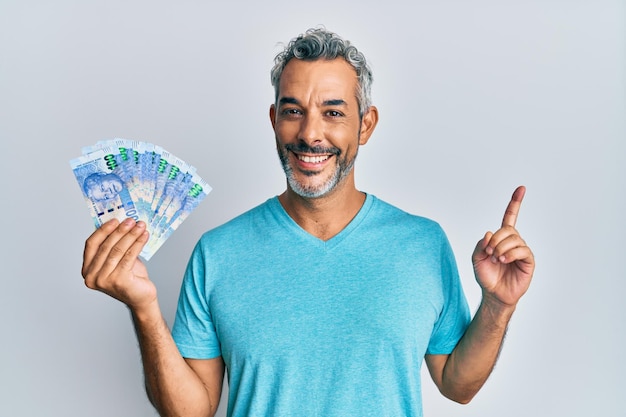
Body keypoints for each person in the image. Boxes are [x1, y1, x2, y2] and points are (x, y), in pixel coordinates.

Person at [81, 27, 535, 417]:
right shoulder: (218, 252)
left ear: (366, 125)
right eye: (293, 110)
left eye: (333, 112)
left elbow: (457, 385)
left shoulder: (422, 244)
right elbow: (191, 410)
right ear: (274, 119)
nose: (309, 133)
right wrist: (143, 308)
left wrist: (498, 306)